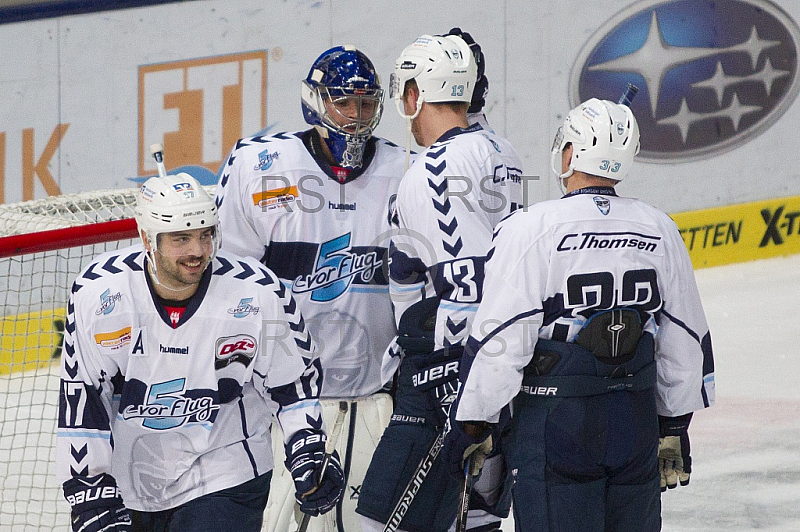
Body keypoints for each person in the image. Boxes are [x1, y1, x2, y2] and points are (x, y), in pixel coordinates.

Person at [447, 98, 716, 531]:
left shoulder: (532, 227)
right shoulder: (659, 227)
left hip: (558, 425)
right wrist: (674, 424)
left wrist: (475, 423)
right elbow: (685, 336)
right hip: (635, 422)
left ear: (569, 153)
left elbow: (503, 338)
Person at [55, 173, 344, 532]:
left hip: (225, 470)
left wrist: (306, 448)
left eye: (205, 234)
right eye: (181, 238)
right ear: (147, 238)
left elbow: (293, 386)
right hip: (129, 480)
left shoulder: (256, 292)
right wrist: (90, 488)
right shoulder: (99, 294)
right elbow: (84, 399)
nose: (197, 251)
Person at [214, 45, 408, 531]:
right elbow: (227, 287)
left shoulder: (404, 170)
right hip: (282, 404)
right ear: (315, 102)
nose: (355, 117)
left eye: (366, 105)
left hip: (375, 400)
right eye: (343, 103)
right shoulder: (260, 166)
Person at [355, 33, 524, 532]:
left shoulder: (435, 168)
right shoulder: (499, 148)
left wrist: (467, 402)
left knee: (378, 523)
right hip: (500, 372)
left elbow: (469, 291)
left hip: (449, 382)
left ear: (415, 96)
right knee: (473, 523)